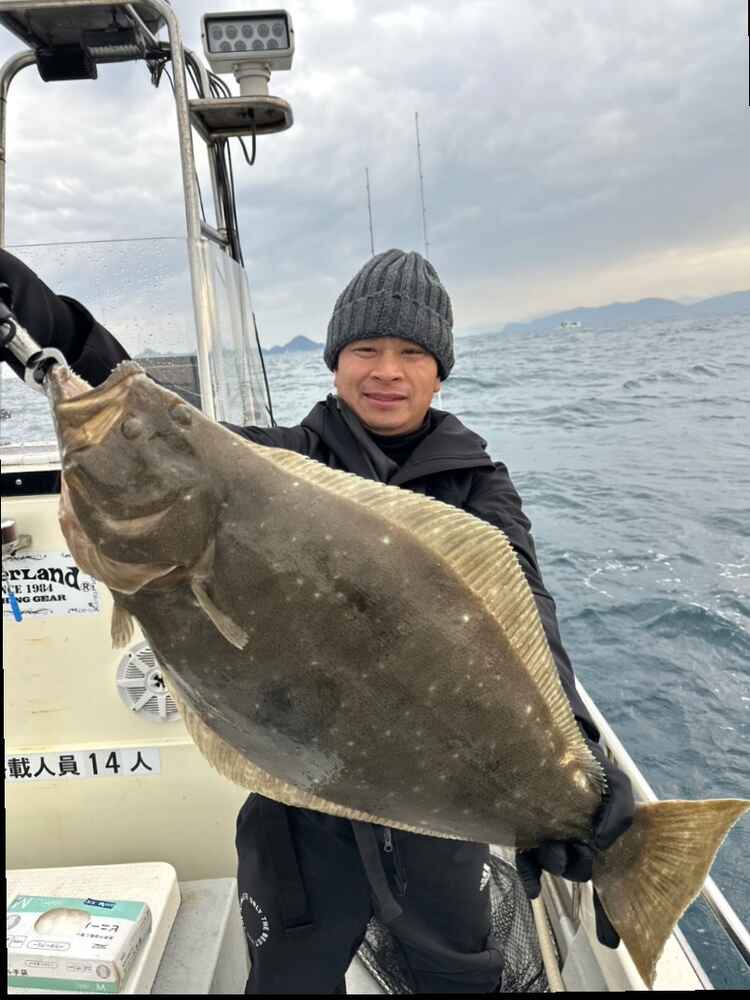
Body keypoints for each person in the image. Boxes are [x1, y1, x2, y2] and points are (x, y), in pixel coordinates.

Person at [0, 246, 634, 994]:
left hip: (435, 813)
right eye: (366, 349)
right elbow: (129, 398)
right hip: (298, 799)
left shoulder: (480, 487)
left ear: (440, 370)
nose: (387, 371)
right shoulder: (271, 460)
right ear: (335, 362)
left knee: (457, 975)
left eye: (412, 353)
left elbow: (526, 614)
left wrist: (582, 759)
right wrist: (37, 312)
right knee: (289, 975)